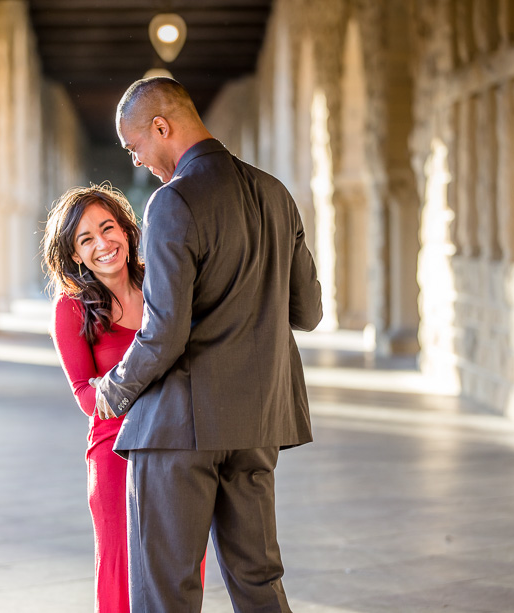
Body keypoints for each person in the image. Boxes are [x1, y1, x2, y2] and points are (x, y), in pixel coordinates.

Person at [93, 77, 323, 612]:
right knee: (258, 580)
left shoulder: (171, 203)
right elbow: (307, 313)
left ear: (161, 126)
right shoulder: (276, 194)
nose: (139, 162)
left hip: (179, 428)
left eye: (136, 148)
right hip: (259, 421)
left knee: (165, 589)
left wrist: (115, 388)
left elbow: (164, 330)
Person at [42, 184, 145, 613]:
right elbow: (86, 395)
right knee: (120, 566)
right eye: (87, 239)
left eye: (108, 228)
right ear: (75, 255)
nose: (103, 244)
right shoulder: (71, 308)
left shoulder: (161, 281)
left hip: (177, 442)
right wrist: (146, 375)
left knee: (181, 561)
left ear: (125, 228)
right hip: (115, 450)